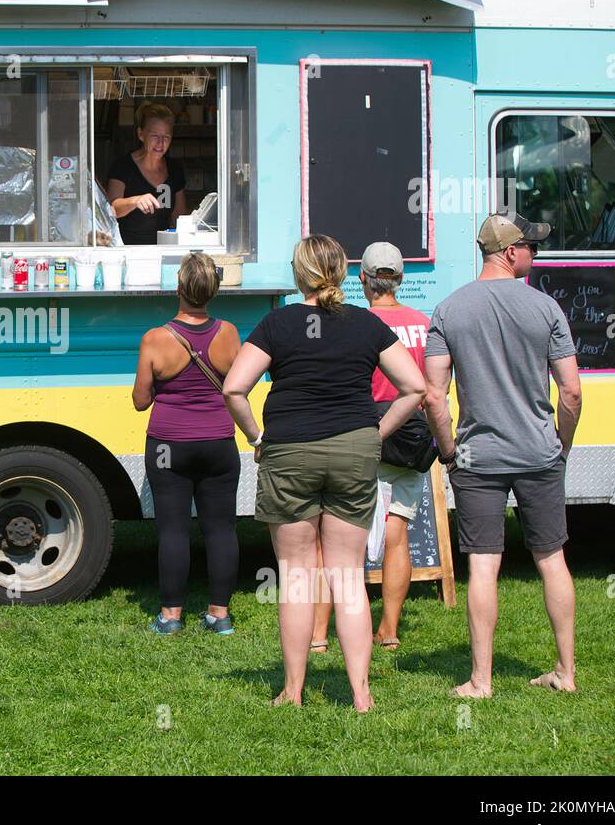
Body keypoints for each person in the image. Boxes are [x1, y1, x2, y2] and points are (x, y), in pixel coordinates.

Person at [222, 234, 424, 711]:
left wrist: (256, 438)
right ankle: (361, 694)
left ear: (299, 275)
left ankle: (292, 692)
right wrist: (377, 432)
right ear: (343, 273)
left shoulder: (278, 323)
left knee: (295, 576)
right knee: (348, 574)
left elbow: (235, 388)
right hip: (355, 449)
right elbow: (414, 388)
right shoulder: (366, 325)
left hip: (289, 450)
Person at [423, 213, 582, 698]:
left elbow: (433, 396)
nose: (535, 255)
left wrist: (449, 451)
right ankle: (566, 672)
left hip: (478, 459)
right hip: (539, 453)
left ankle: (481, 680)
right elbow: (571, 392)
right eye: (530, 248)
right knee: (551, 558)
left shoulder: (449, 310)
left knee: (484, 566)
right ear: (510, 252)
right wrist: (561, 446)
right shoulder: (547, 308)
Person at [310, 242, 430, 652]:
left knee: (339, 539)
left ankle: (319, 633)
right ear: (399, 279)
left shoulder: (355, 323)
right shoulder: (423, 323)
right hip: (412, 437)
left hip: (364, 434)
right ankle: (389, 629)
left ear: (363, 279)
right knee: (398, 534)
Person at [132, 252, 243, 635]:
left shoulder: (154, 338)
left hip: (168, 445)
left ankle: (170, 616)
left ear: (179, 288)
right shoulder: (229, 333)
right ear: (213, 292)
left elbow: (140, 401)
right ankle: (219, 614)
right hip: (218, 442)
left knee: (174, 530)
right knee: (220, 529)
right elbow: (238, 386)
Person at [106, 101, 188, 245]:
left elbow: (179, 217)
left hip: (163, 250)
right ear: (141, 134)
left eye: (166, 137)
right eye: (155, 136)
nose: (160, 143)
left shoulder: (174, 170)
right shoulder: (123, 166)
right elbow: (111, 210)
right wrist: (135, 201)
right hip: (127, 250)